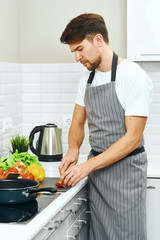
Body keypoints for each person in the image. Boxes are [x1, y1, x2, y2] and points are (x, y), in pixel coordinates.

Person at [59, 13, 153, 240]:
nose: (77, 57)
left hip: (126, 175)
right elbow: (78, 123)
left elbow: (132, 138)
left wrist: (86, 166)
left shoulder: (132, 75)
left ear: (98, 40)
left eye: (80, 49)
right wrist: (73, 150)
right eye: (74, 52)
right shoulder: (87, 78)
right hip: (98, 175)